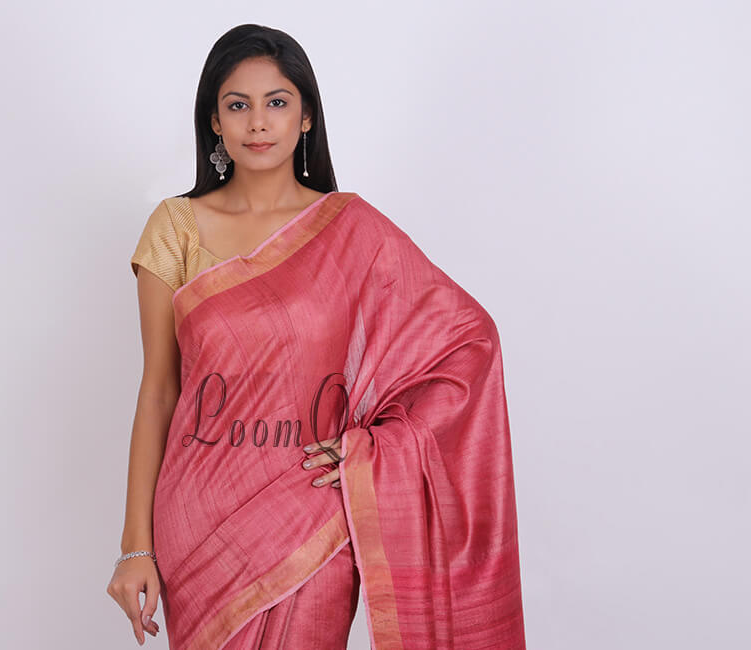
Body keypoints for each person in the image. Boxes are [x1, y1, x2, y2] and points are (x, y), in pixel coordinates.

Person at [107, 24, 526, 649]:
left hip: (312, 512)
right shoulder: (177, 226)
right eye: (237, 105)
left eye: (276, 102)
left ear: (306, 117)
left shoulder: (349, 231)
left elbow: (468, 344)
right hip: (198, 519)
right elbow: (160, 391)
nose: (258, 122)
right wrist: (134, 546)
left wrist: (369, 450)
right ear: (214, 122)